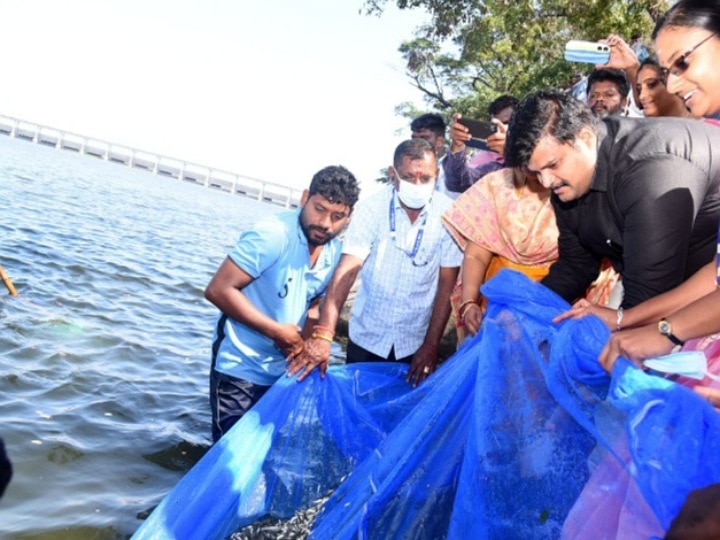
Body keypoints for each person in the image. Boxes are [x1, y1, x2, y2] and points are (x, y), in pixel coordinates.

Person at [504, 88, 720, 312]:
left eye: (552, 165)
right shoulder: (567, 182)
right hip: (650, 284)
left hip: (703, 289)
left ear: (585, 137)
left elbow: (648, 298)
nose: (546, 182)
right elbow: (576, 265)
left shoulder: (650, 171)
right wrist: (527, 308)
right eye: (536, 173)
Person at [288, 138, 463, 387]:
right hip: (366, 337)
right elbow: (348, 271)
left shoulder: (450, 214)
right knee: (356, 410)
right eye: (408, 177)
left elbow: (447, 284)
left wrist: (431, 344)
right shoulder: (372, 209)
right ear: (393, 175)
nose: (417, 185)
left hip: (414, 342)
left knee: (398, 416)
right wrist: (324, 334)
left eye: (425, 178)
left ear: (437, 175)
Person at [204, 165, 359, 442]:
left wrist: (309, 349)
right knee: (228, 457)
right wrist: (276, 332)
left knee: (263, 452)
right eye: (319, 209)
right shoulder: (273, 235)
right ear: (304, 198)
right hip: (240, 365)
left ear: (349, 217)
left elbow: (313, 305)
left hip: (283, 372)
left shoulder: (333, 250)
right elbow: (218, 289)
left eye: (337, 216)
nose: (325, 224)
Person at [443, 95, 519, 193]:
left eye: (507, 123)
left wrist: (511, 151)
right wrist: (457, 146)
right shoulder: (488, 165)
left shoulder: (539, 154)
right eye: (495, 126)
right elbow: (458, 184)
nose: (502, 129)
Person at [410, 113, 457, 199]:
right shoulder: (407, 169)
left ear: (440, 141)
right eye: (414, 138)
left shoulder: (457, 168)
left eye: (424, 138)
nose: (417, 143)